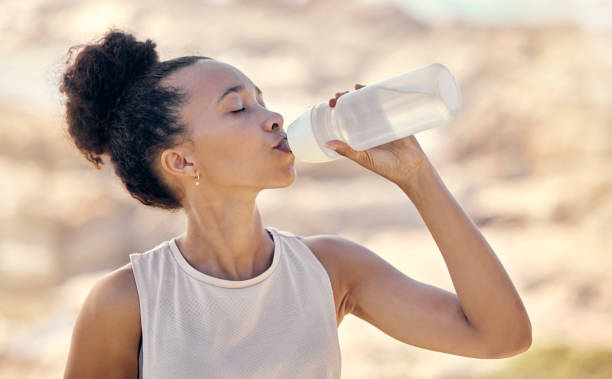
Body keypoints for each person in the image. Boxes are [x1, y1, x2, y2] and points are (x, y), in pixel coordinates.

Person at [61, 29, 532, 379]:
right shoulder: (129, 301)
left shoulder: (331, 268)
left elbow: (501, 336)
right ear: (182, 161)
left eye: (262, 101)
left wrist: (417, 178)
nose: (273, 118)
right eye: (238, 108)